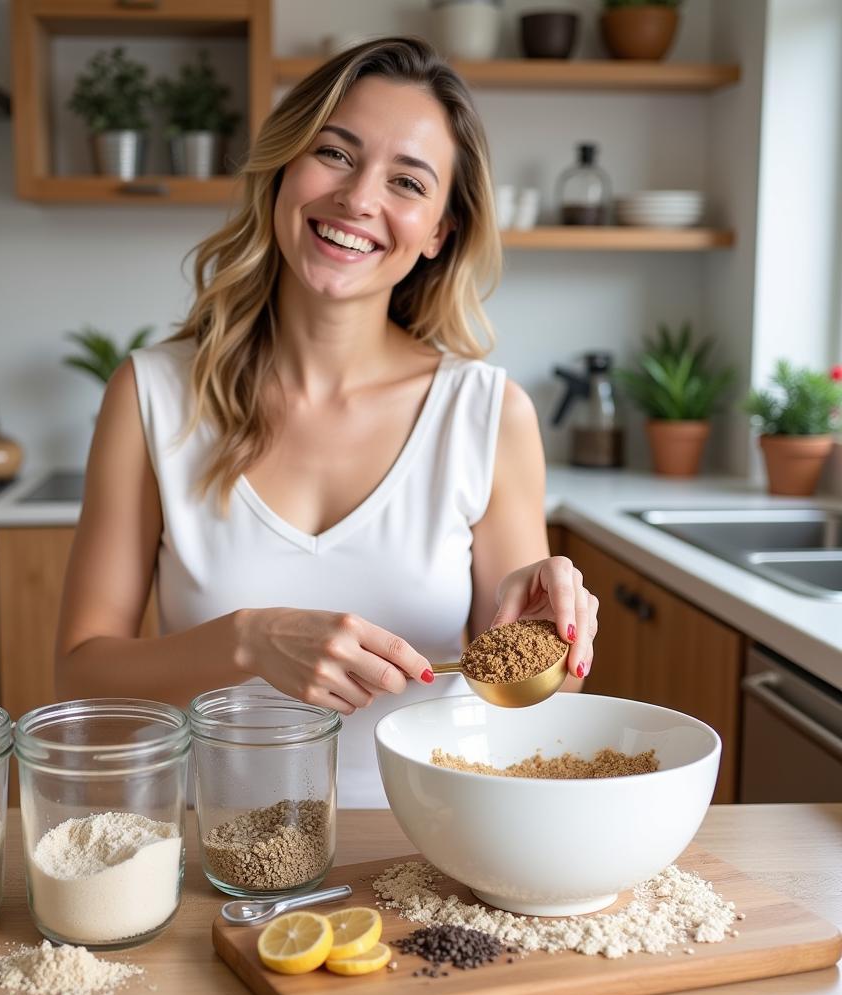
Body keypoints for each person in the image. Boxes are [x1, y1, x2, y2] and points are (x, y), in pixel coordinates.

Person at [56, 37, 599, 807]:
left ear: (440, 231)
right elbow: (80, 681)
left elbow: (527, 709)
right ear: (283, 170)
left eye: (407, 181)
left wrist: (557, 633)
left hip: (426, 858)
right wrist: (248, 640)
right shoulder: (151, 395)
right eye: (335, 154)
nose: (358, 198)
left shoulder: (486, 414)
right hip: (220, 859)